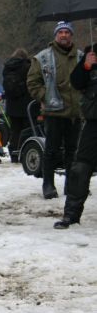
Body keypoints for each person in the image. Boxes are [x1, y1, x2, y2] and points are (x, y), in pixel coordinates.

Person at [27, 21, 83, 199]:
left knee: (73, 151)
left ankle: (71, 185)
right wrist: (44, 97)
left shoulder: (81, 57)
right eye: (61, 32)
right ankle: (48, 185)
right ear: (55, 35)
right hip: (53, 112)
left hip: (75, 112)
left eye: (67, 32)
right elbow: (32, 82)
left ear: (71, 35)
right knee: (51, 150)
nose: (64, 35)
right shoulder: (42, 57)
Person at [55, 44, 97, 229]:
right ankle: (71, 215)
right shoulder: (92, 52)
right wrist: (86, 66)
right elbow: (76, 82)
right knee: (80, 168)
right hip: (93, 121)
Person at [2, 48, 33, 163]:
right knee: (27, 130)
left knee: (15, 131)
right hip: (26, 105)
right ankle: (24, 153)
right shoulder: (28, 66)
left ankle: (14, 154)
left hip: (12, 106)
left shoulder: (7, 67)